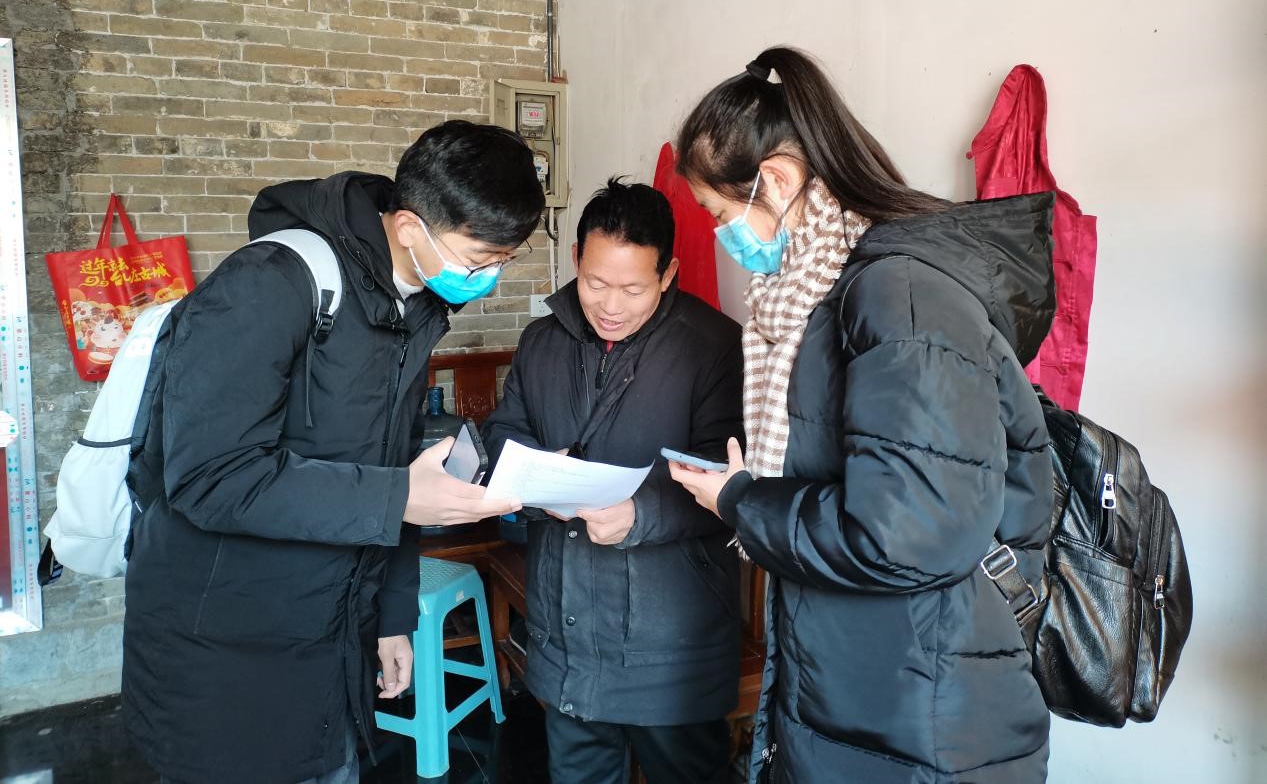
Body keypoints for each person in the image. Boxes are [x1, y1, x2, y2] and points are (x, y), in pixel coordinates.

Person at [668, 47, 1055, 783]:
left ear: (777, 180)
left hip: (924, 709)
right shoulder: (830, 291)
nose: (724, 238)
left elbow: (903, 535)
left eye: (720, 214)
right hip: (877, 680)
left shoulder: (898, 295)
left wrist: (742, 501)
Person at [122, 121, 544, 784]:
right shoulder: (266, 285)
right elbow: (209, 477)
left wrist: (390, 619)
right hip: (225, 653)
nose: (488, 278)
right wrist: (398, 497)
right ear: (410, 227)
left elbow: (391, 469)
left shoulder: (412, 310)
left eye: (504, 261)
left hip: (330, 639)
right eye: (478, 259)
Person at [481, 179, 744, 784]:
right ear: (577, 258)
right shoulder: (542, 339)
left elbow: (728, 473)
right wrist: (538, 471)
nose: (611, 306)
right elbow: (504, 429)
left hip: (669, 634)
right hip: (565, 620)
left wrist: (638, 514)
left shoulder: (714, 346)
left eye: (633, 289)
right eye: (596, 282)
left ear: (668, 273)